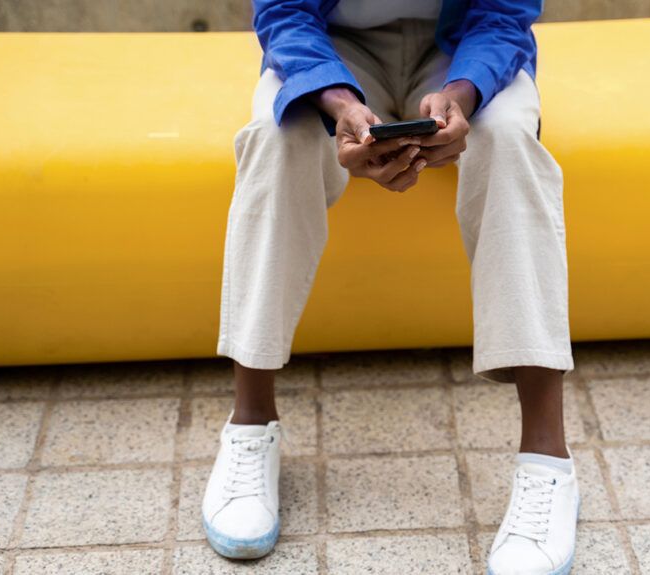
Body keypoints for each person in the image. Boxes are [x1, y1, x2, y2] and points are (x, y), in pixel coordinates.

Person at [202, 1, 579, 573]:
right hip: (334, 51)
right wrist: (337, 100)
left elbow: (504, 11)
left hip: (460, 50)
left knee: (508, 140)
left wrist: (465, 93)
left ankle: (548, 461)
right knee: (273, 139)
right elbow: (284, 11)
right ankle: (250, 425)